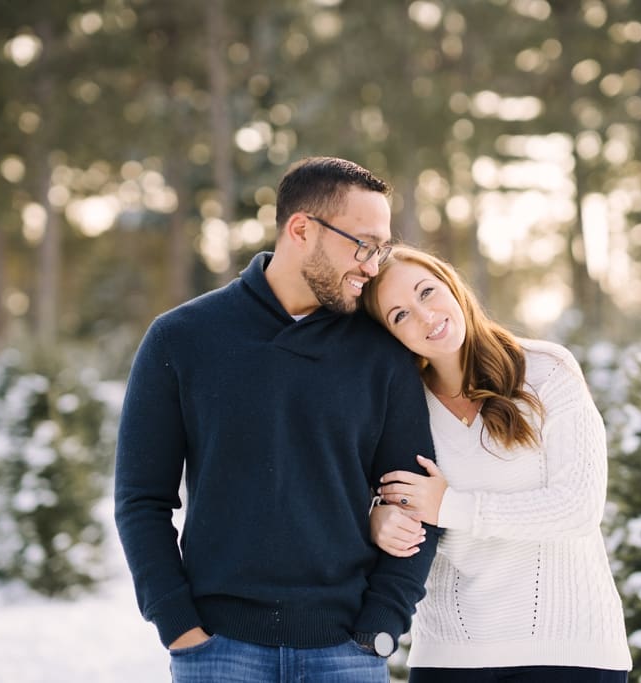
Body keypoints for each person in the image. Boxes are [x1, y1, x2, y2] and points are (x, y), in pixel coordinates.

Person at [114, 157, 441, 682]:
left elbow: (420, 498)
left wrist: (383, 623)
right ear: (301, 229)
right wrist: (176, 624)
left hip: (346, 652)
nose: (373, 265)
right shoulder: (183, 338)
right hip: (219, 652)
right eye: (363, 244)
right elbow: (141, 499)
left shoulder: (381, 354)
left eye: (380, 248)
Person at [362, 246, 632, 683]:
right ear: (388, 336)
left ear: (451, 283)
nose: (426, 316)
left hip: (570, 650)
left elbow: (578, 509)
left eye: (427, 292)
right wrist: (376, 517)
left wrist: (450, 506)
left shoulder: (546, 370)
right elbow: (371, 494)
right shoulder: (400, 405)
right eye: (400, 316)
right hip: (449, 656)